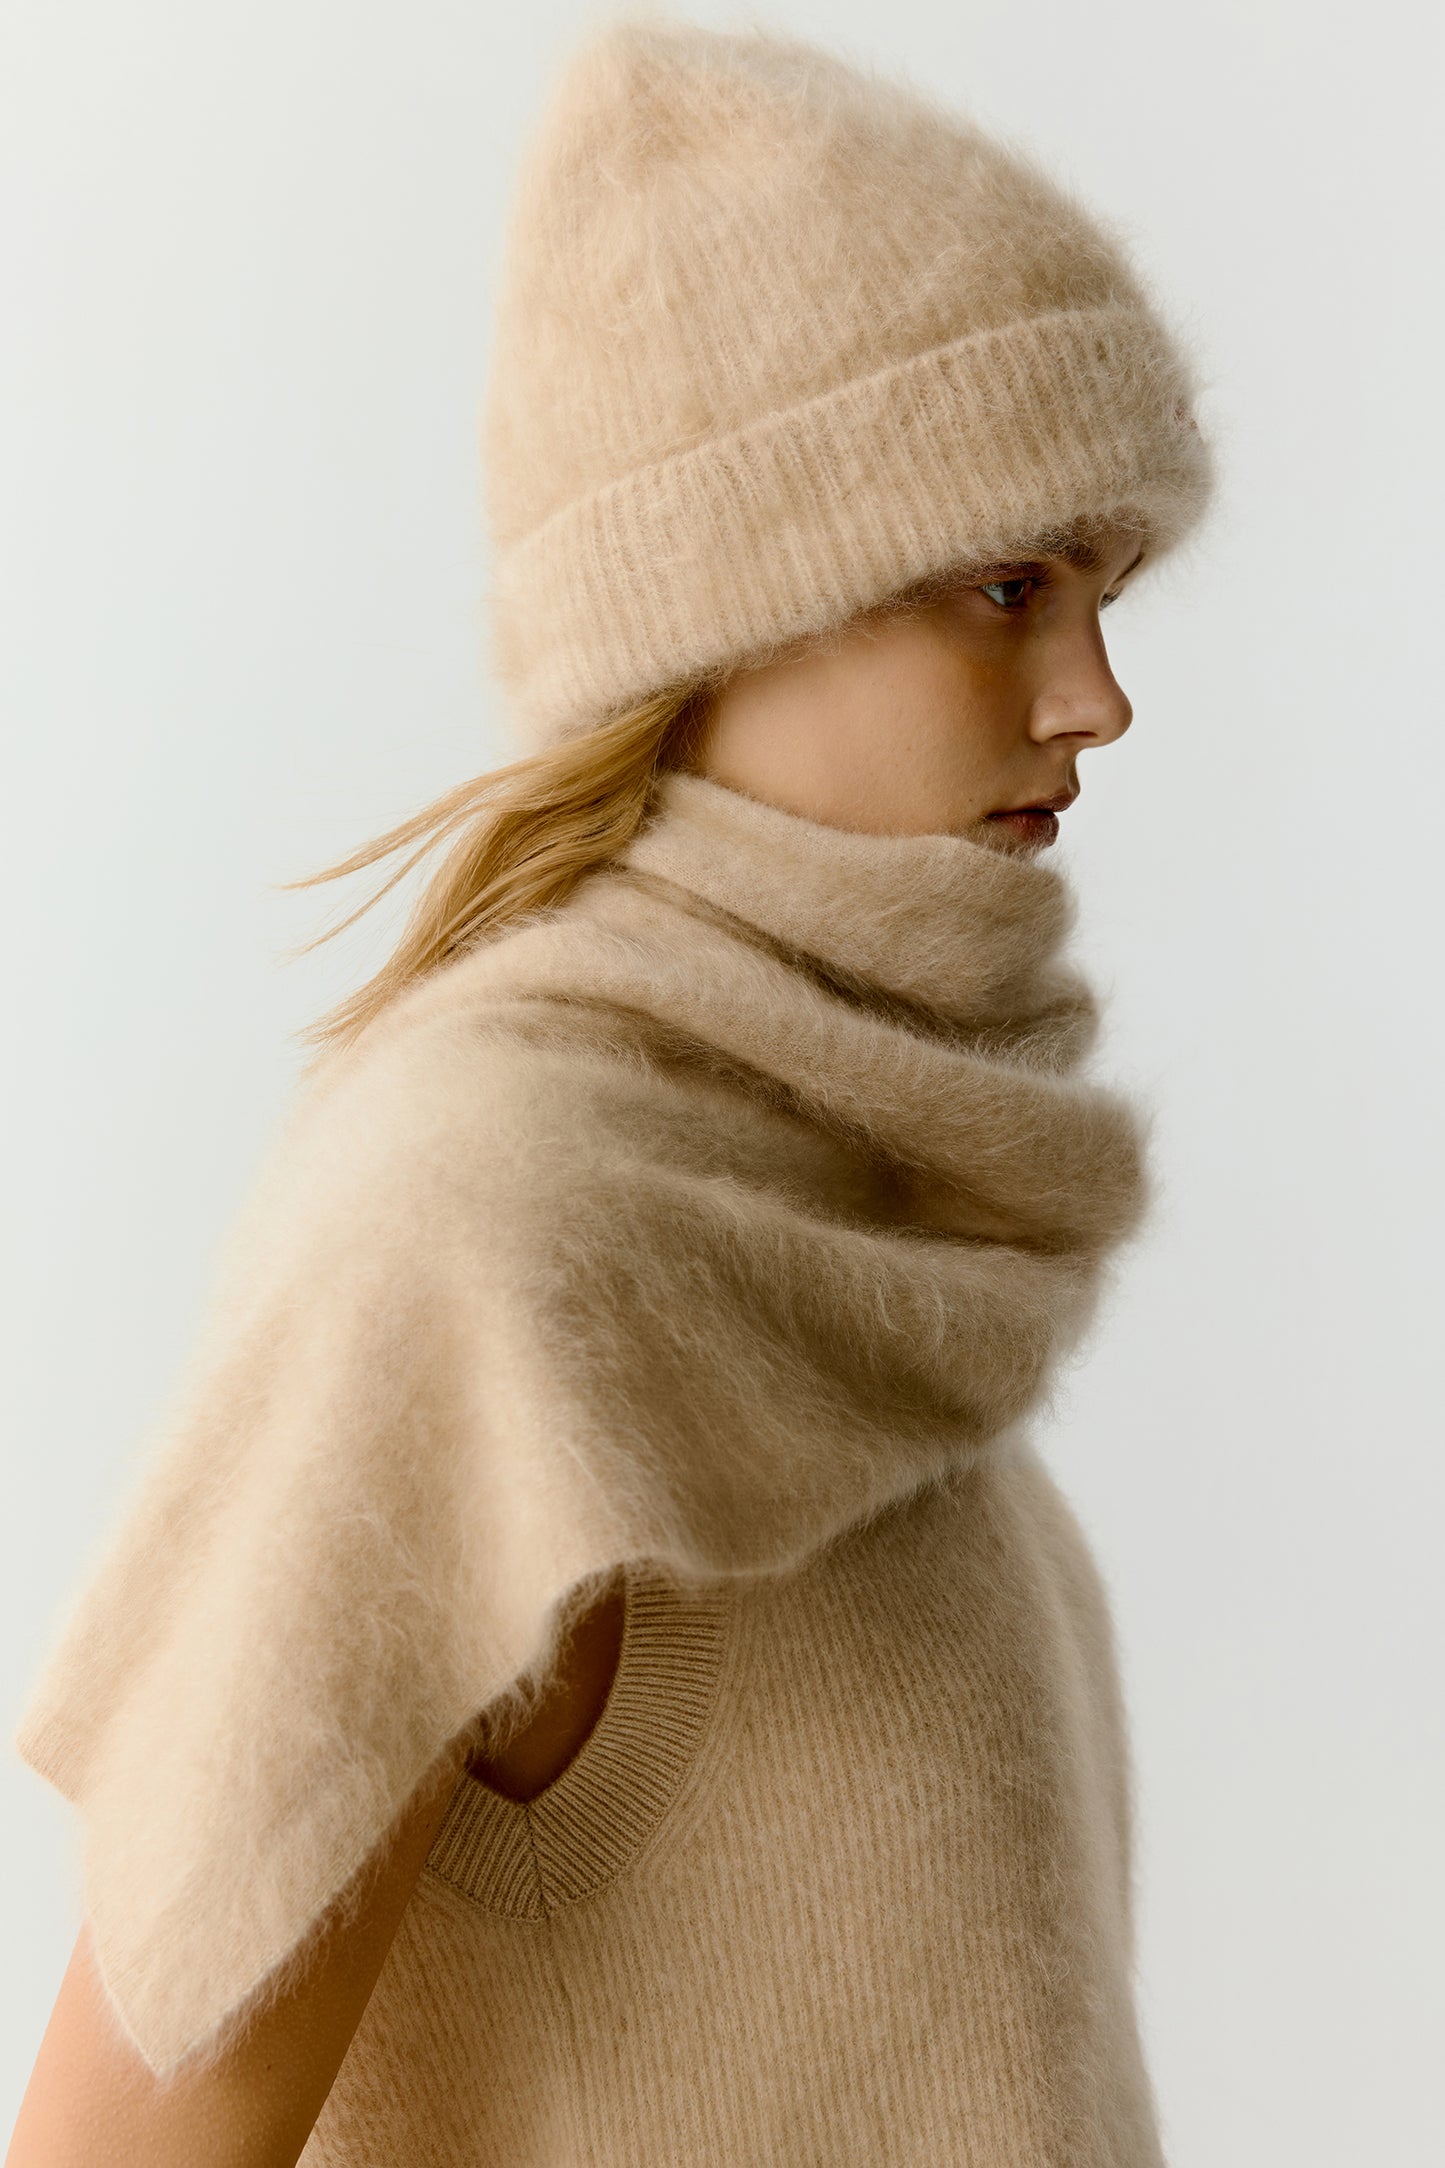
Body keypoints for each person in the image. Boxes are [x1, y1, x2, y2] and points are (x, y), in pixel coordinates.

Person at [7, 16, 1215, 2167]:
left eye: (1107, 592)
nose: (1099, 696)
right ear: (727, 596)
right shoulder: (493, 1220)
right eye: (1008, 584)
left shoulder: (863, 1217)